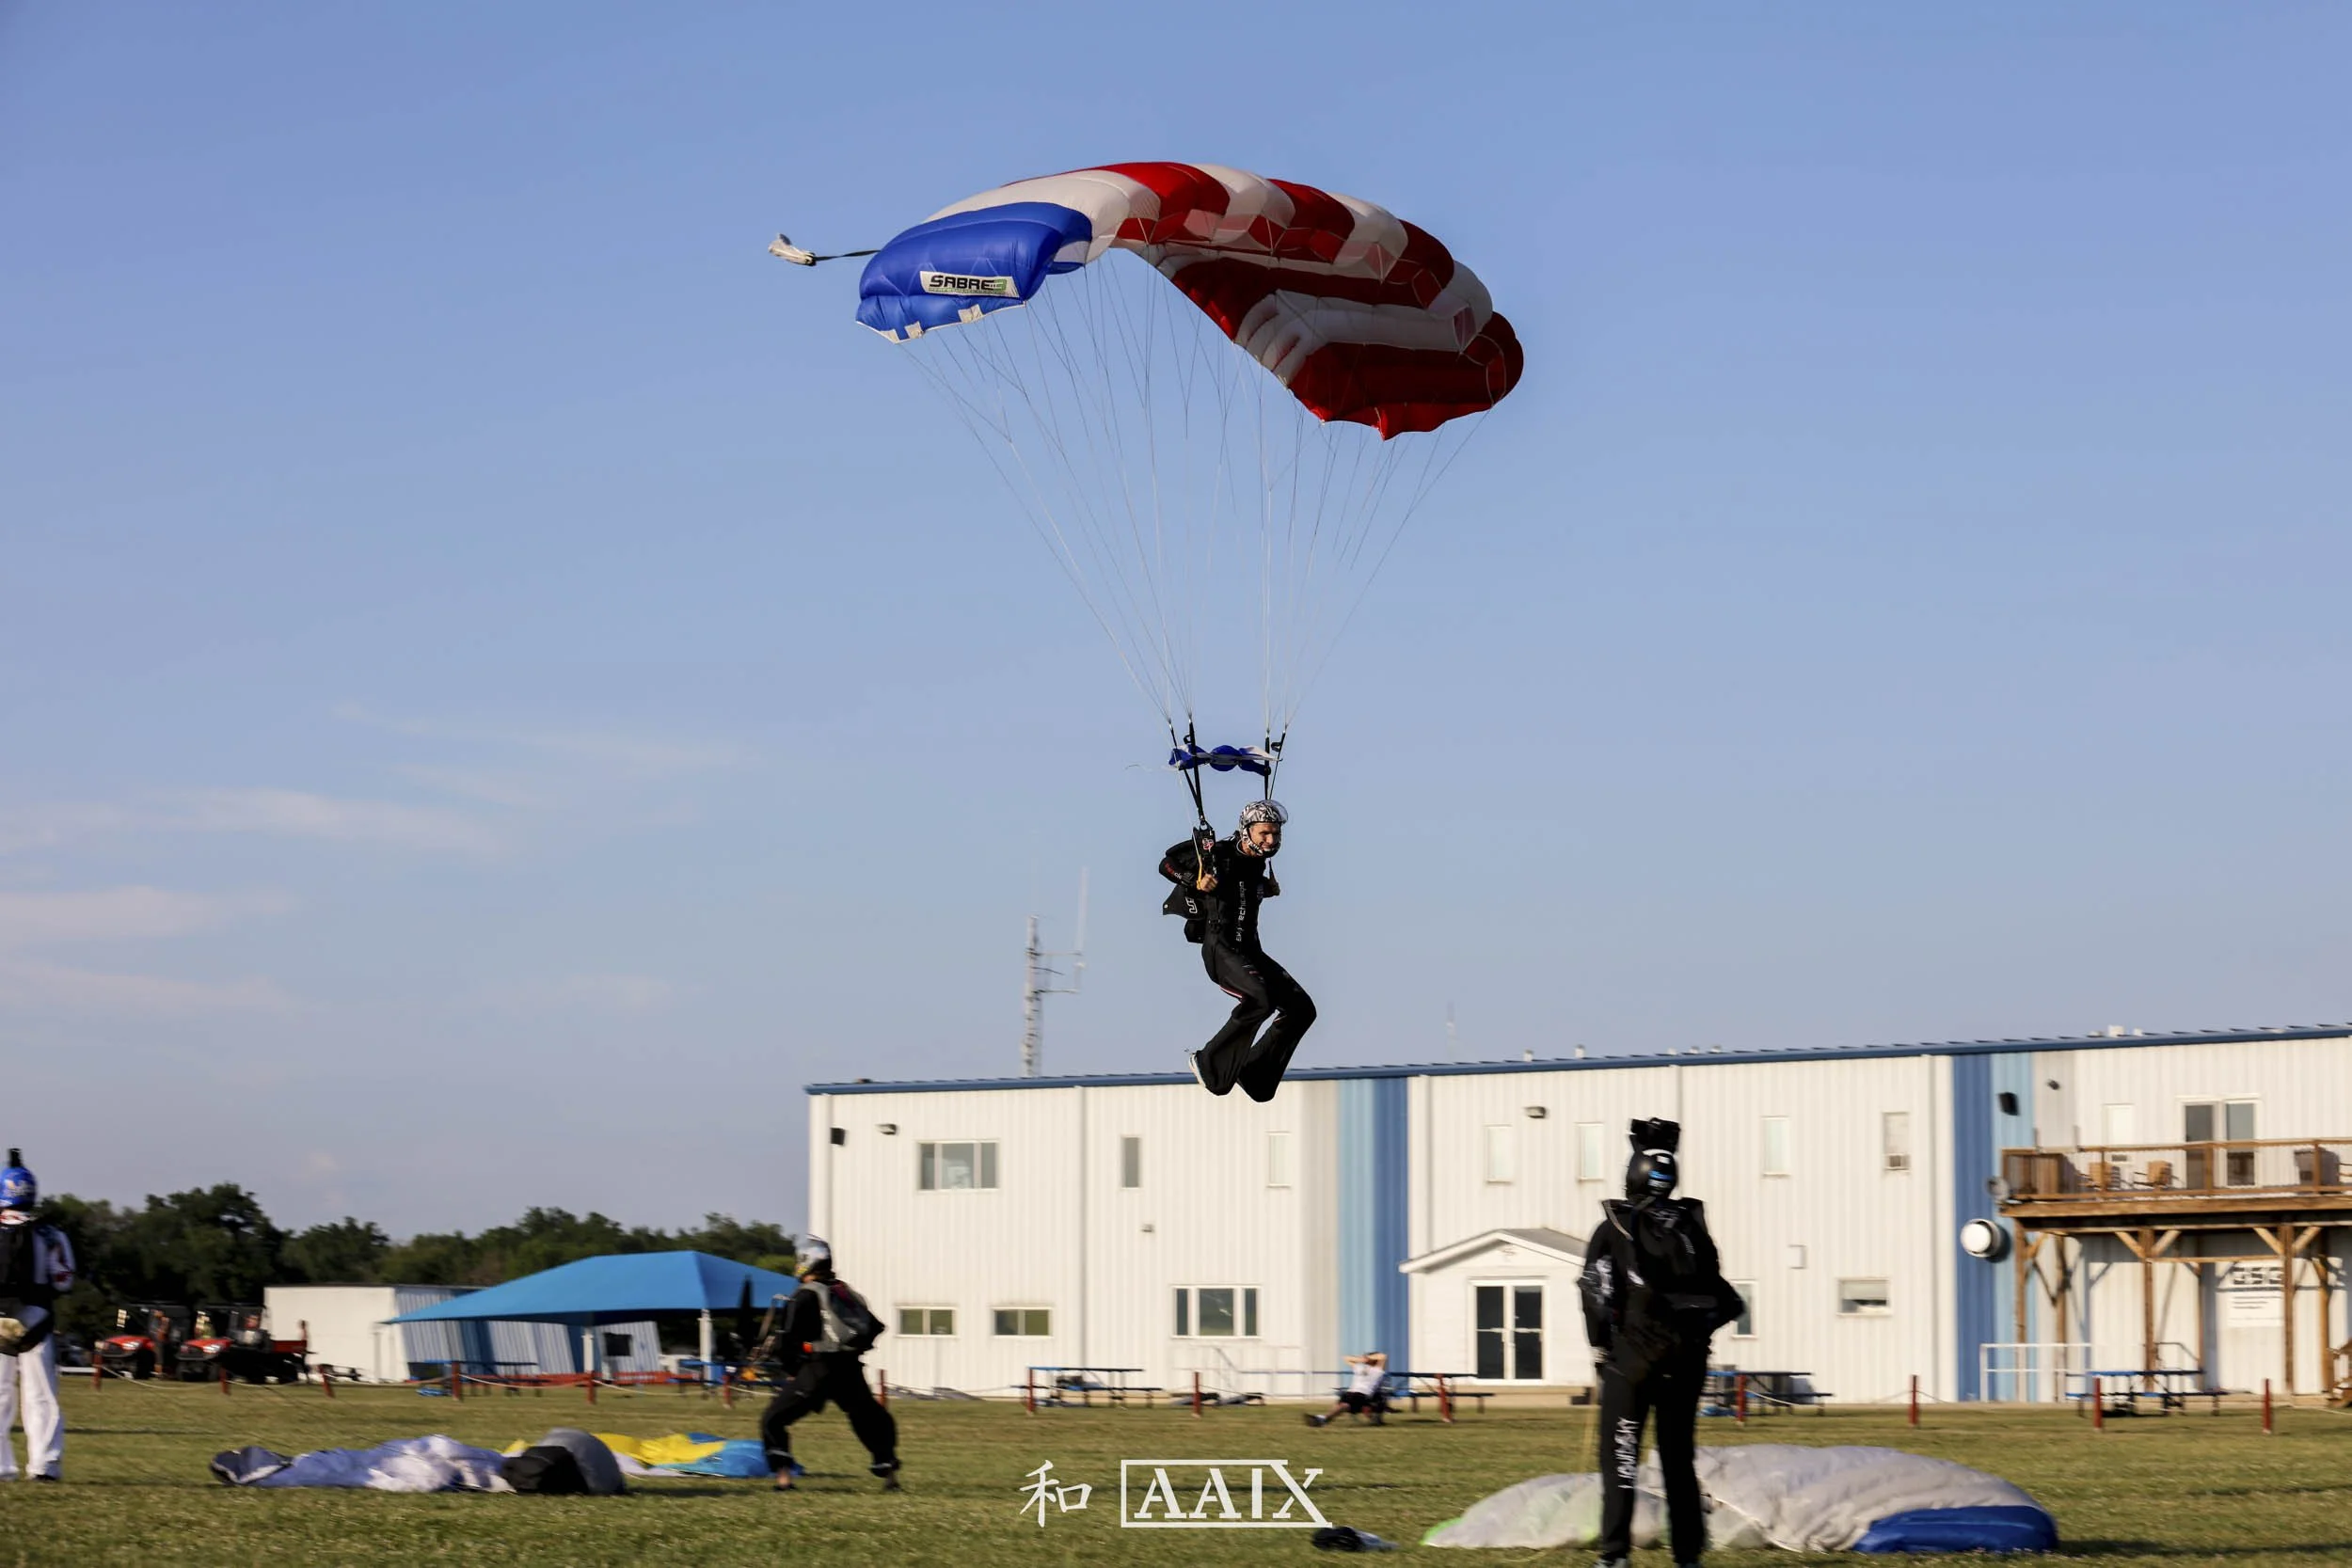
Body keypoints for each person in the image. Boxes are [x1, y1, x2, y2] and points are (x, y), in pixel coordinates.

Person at [1577, 1119, 1743, 1568]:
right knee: (1677, 1462)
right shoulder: (1692, 1228)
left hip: (1631, 1364)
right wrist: (1694, 1335)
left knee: (1622, 1461)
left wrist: (1600, 1349)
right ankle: (1688, 1557)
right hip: (1686, 1364)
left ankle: (1614, 1556)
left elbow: (1595, 1289)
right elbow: (1726, 1298)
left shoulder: (1614, 1227)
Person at [1159, 799, 1316, 1101]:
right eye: (1264, 834)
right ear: (1247, 832)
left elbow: (1239, 894)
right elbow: (1166, 864)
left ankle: (1255, 1073)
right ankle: (1209, 1063)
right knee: (1260, 999)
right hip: (1221, 949)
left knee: (1302, 1009)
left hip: (1250, 950)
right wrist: (1195, 880)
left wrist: (1264, 890)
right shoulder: (1217, 854)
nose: (1271, 841)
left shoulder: (1257, 863)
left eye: (1276, 835)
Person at [757, 1237, 900, 1494]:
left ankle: (784, 1480)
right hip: (849, 1369)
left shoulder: (804, 1296)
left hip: (817, 1370)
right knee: (869, 1418)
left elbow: (786, 1340)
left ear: (805, 1263)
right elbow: (874, 1326)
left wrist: (792, 1372)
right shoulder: (843, 1291)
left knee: (774, 1419)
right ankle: (890, 1476)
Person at [0, 1148, 74, 1483]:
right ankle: (45, 1464)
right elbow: (65, 1279)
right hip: (37, 1321)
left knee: (1, 1394)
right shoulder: (50, 1233)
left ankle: (2, 1467)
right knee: (41, 1395)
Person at [1306, 1351, 1389, 1427]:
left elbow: (1383, 1356)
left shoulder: (1378, 1370)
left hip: (1363, 1394)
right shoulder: (1360, 1367)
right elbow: (1346, 1358)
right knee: (1340, 1405)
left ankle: (1323, 1419)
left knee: (1344, 1406)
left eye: (1371, 1357)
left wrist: (1368, 1358)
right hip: (1351, 1392)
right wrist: (1362, 1360)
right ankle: (1323, 1419)